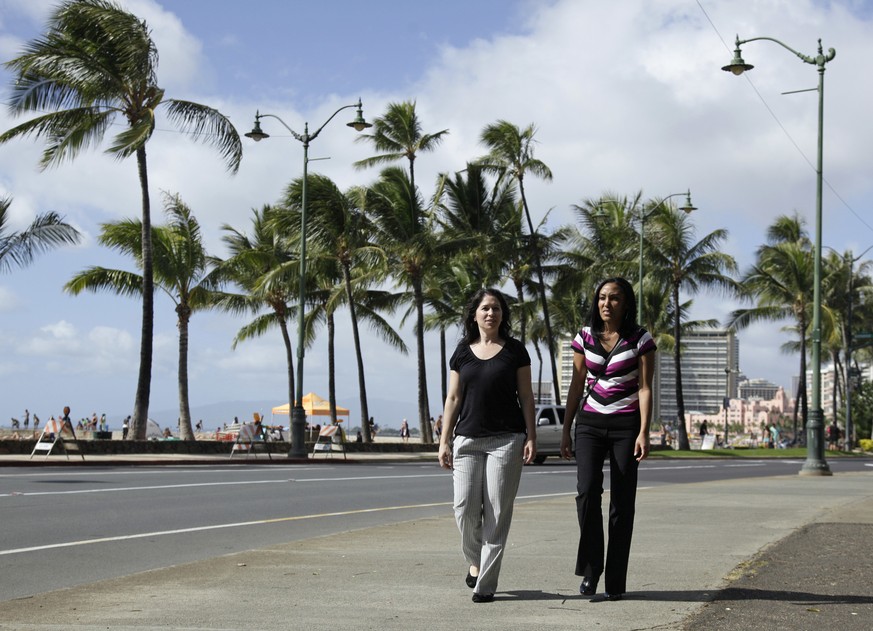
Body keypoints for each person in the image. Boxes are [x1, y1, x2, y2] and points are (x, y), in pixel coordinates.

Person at [438, 288, 536, 604]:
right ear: (474, 315)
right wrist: (444, 439)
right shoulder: (461, 353)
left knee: (496, 512)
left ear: (502, 315)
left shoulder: (516, 351)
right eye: (485, 308)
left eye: (496, 308)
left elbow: (527, 397)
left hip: (506, 440)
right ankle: (476, 559)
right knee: (464, 509)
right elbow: (453, 398)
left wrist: (531, 435)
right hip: (466, 439)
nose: (490, 313)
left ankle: (486, 584)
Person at [560, 277, 656, 602]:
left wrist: (644, 431)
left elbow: (644, 387)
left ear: (625, 303)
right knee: (587, 494)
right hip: (588, 423)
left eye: (614, 298)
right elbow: (576, 386)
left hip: (626, 426)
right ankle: (591, 569)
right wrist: (566, 429)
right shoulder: (584, 336)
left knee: (622, 504)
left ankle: (615, 578)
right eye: (602, 297)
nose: (606, 303)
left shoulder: (640, 339)